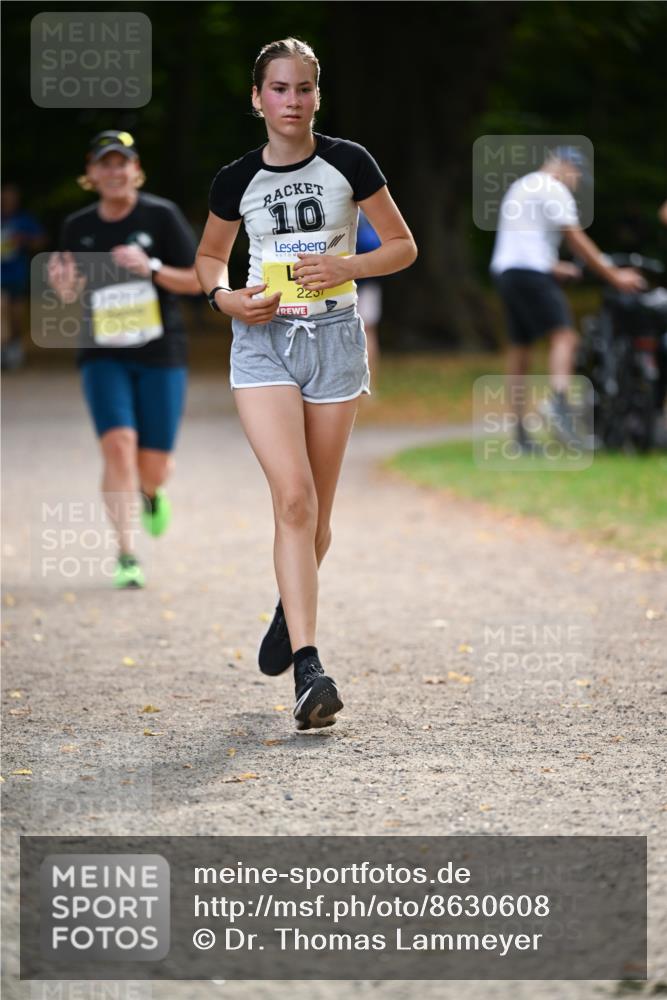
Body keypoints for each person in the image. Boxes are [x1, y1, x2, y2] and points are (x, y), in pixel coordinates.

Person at [196, 37, 417, 730]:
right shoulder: (235, 179)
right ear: (257, 98)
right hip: (261, 343)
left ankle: (287, 610)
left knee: (316, 515)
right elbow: (208, 257)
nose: (292, 102)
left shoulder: (349, 163)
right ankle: (309, 667)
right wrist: (224, 298)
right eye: (279, 89)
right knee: (291, 499)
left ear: (317, 96)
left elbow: (403, 246)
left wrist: (346, 266)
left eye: (303, 89)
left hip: (334, 343)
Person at [48, 130, 201, 588]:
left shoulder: (161, 216)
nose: (115, 171)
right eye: (105, 163)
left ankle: (151, 494)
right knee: (117, 446)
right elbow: (71, 290)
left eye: (123, 162)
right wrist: (63, 289)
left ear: (136, 169)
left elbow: (198, 279)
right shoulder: (77, 226)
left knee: (153, 465)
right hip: (102, 353)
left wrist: (150, 267)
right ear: (90, 174)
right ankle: (126, 555)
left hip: (160, 351)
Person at [490, 146, 645, 451]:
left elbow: (522, 238)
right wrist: (614, 275)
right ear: (565, 167)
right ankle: (558, 403)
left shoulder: (521, 186)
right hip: (532, 273)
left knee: (520, 351)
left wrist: (554, 265)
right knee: (565, 337)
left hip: (506, 272)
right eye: (576, 176)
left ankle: (520, 433)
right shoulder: (553, 187)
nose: (575, 183)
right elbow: (575, 237)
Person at [1, 182, 46, 370]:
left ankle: (15, 345)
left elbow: (41, 241)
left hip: (17, 273)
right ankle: (4, 349)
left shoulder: (24, 219)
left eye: (12, 198)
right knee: (1, 308)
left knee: (16, 315)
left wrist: (24, 239)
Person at [355, 210, 383, 378]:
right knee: (368, 332)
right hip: (366, 284)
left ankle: (368, 381)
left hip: (363, 286)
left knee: (367, 332)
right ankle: (369, 383)